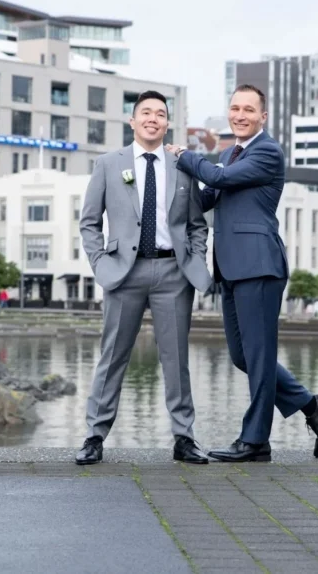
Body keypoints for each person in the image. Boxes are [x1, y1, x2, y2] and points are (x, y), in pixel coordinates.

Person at [167, 84, 318, 462]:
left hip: (259, 265)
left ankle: (255, 441)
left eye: (248, 109)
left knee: (259, 356)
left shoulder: (268, 152)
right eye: (234, 108)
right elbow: (208, 195)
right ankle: (312, 404)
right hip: (229, 267)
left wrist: (184, 155)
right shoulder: (228, 153)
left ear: (263, 116)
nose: (239, 115)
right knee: (244, 357)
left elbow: (221, 179)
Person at [75, 90, 213, 466]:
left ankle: (184, 438)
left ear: (168, 124)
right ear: (132, 121)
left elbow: (198, 224)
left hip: (173, 273)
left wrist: (194, 260)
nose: (153, 118)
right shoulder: (108, 163)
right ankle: (94, 436)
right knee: (113, 356)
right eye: (146, 112)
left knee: (176, 360)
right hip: (123, 272)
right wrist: (101, 264)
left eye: (161, 114)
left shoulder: (182, 166)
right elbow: (89, 222)